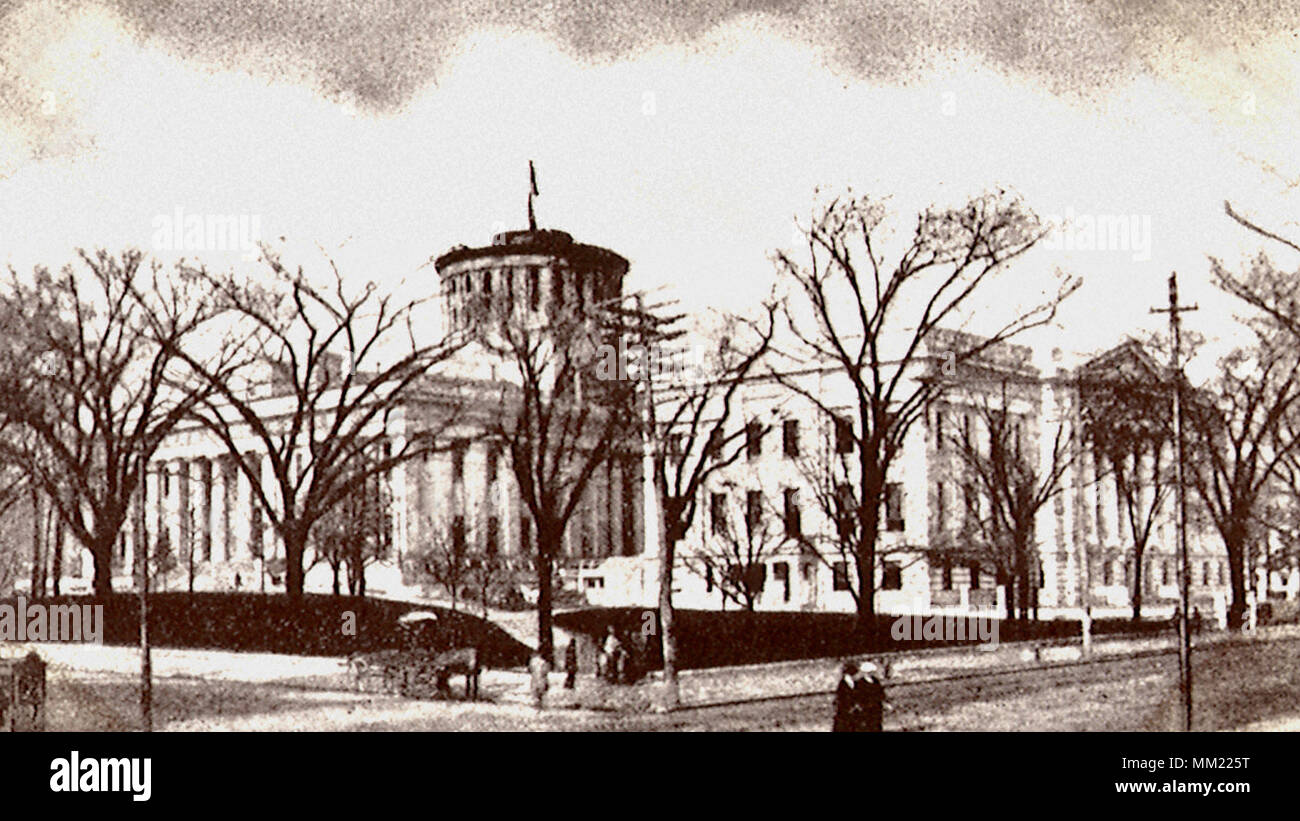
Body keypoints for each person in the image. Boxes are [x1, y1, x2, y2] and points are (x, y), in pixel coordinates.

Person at [855, 661, 887, 733]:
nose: (871, 673)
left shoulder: (875, 681)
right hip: (866, 709)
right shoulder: (860, 683)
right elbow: (859, 697)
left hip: (876, 707)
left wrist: (882, 701)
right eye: (869, 672)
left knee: (877, 724)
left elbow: (881, 692)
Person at [832, 660, 860, 732]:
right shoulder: (843, 684)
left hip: (852, 710)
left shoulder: (854, 682)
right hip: (845, 709)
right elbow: (842, 697)